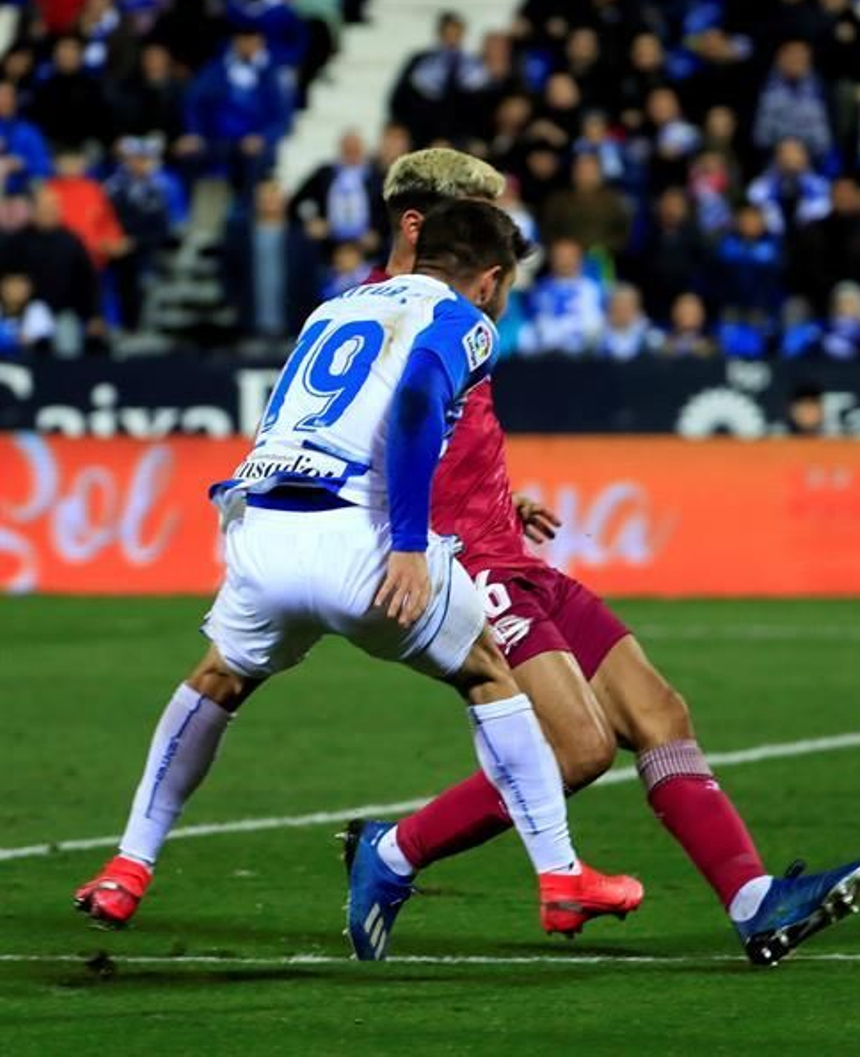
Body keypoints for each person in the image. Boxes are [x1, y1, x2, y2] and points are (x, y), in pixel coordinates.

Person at [342, 148, 860, 967]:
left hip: (508, 547)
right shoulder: (377, 312)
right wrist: (425, 528)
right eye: (476, 218)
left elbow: (442, 426)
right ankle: (391, 855)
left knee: (660, 713)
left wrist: (495, 496)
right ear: (420, 224)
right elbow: (362, 437)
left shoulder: (445, 308)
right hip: (469, 567)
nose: (496, 251)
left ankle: (754, 903)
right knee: (581, 749)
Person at [72, 200, 640, 952]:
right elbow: (410, 405)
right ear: (490, 279)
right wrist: (407, 542)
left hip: (262, 529)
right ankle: (561, 876)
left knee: (217, 677)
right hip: (360, 543)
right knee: (490, 675)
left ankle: (128, 865)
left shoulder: (337, 307)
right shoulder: (467, 322)